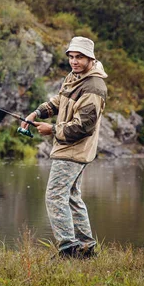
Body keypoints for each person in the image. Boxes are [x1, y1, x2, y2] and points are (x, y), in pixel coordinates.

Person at [21, 36, 108, 258]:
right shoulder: (75, 77)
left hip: (74, 149)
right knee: (71, 196)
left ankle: (68, 249)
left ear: (90, 58)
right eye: (71, 56)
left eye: (79, 57)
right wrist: (37, 113)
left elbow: (83, 127)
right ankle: (86, 248)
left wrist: (51, 129)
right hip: (71, 149)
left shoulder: (94, 87)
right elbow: (60, 101)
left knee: (55, 195)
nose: (74, 61)